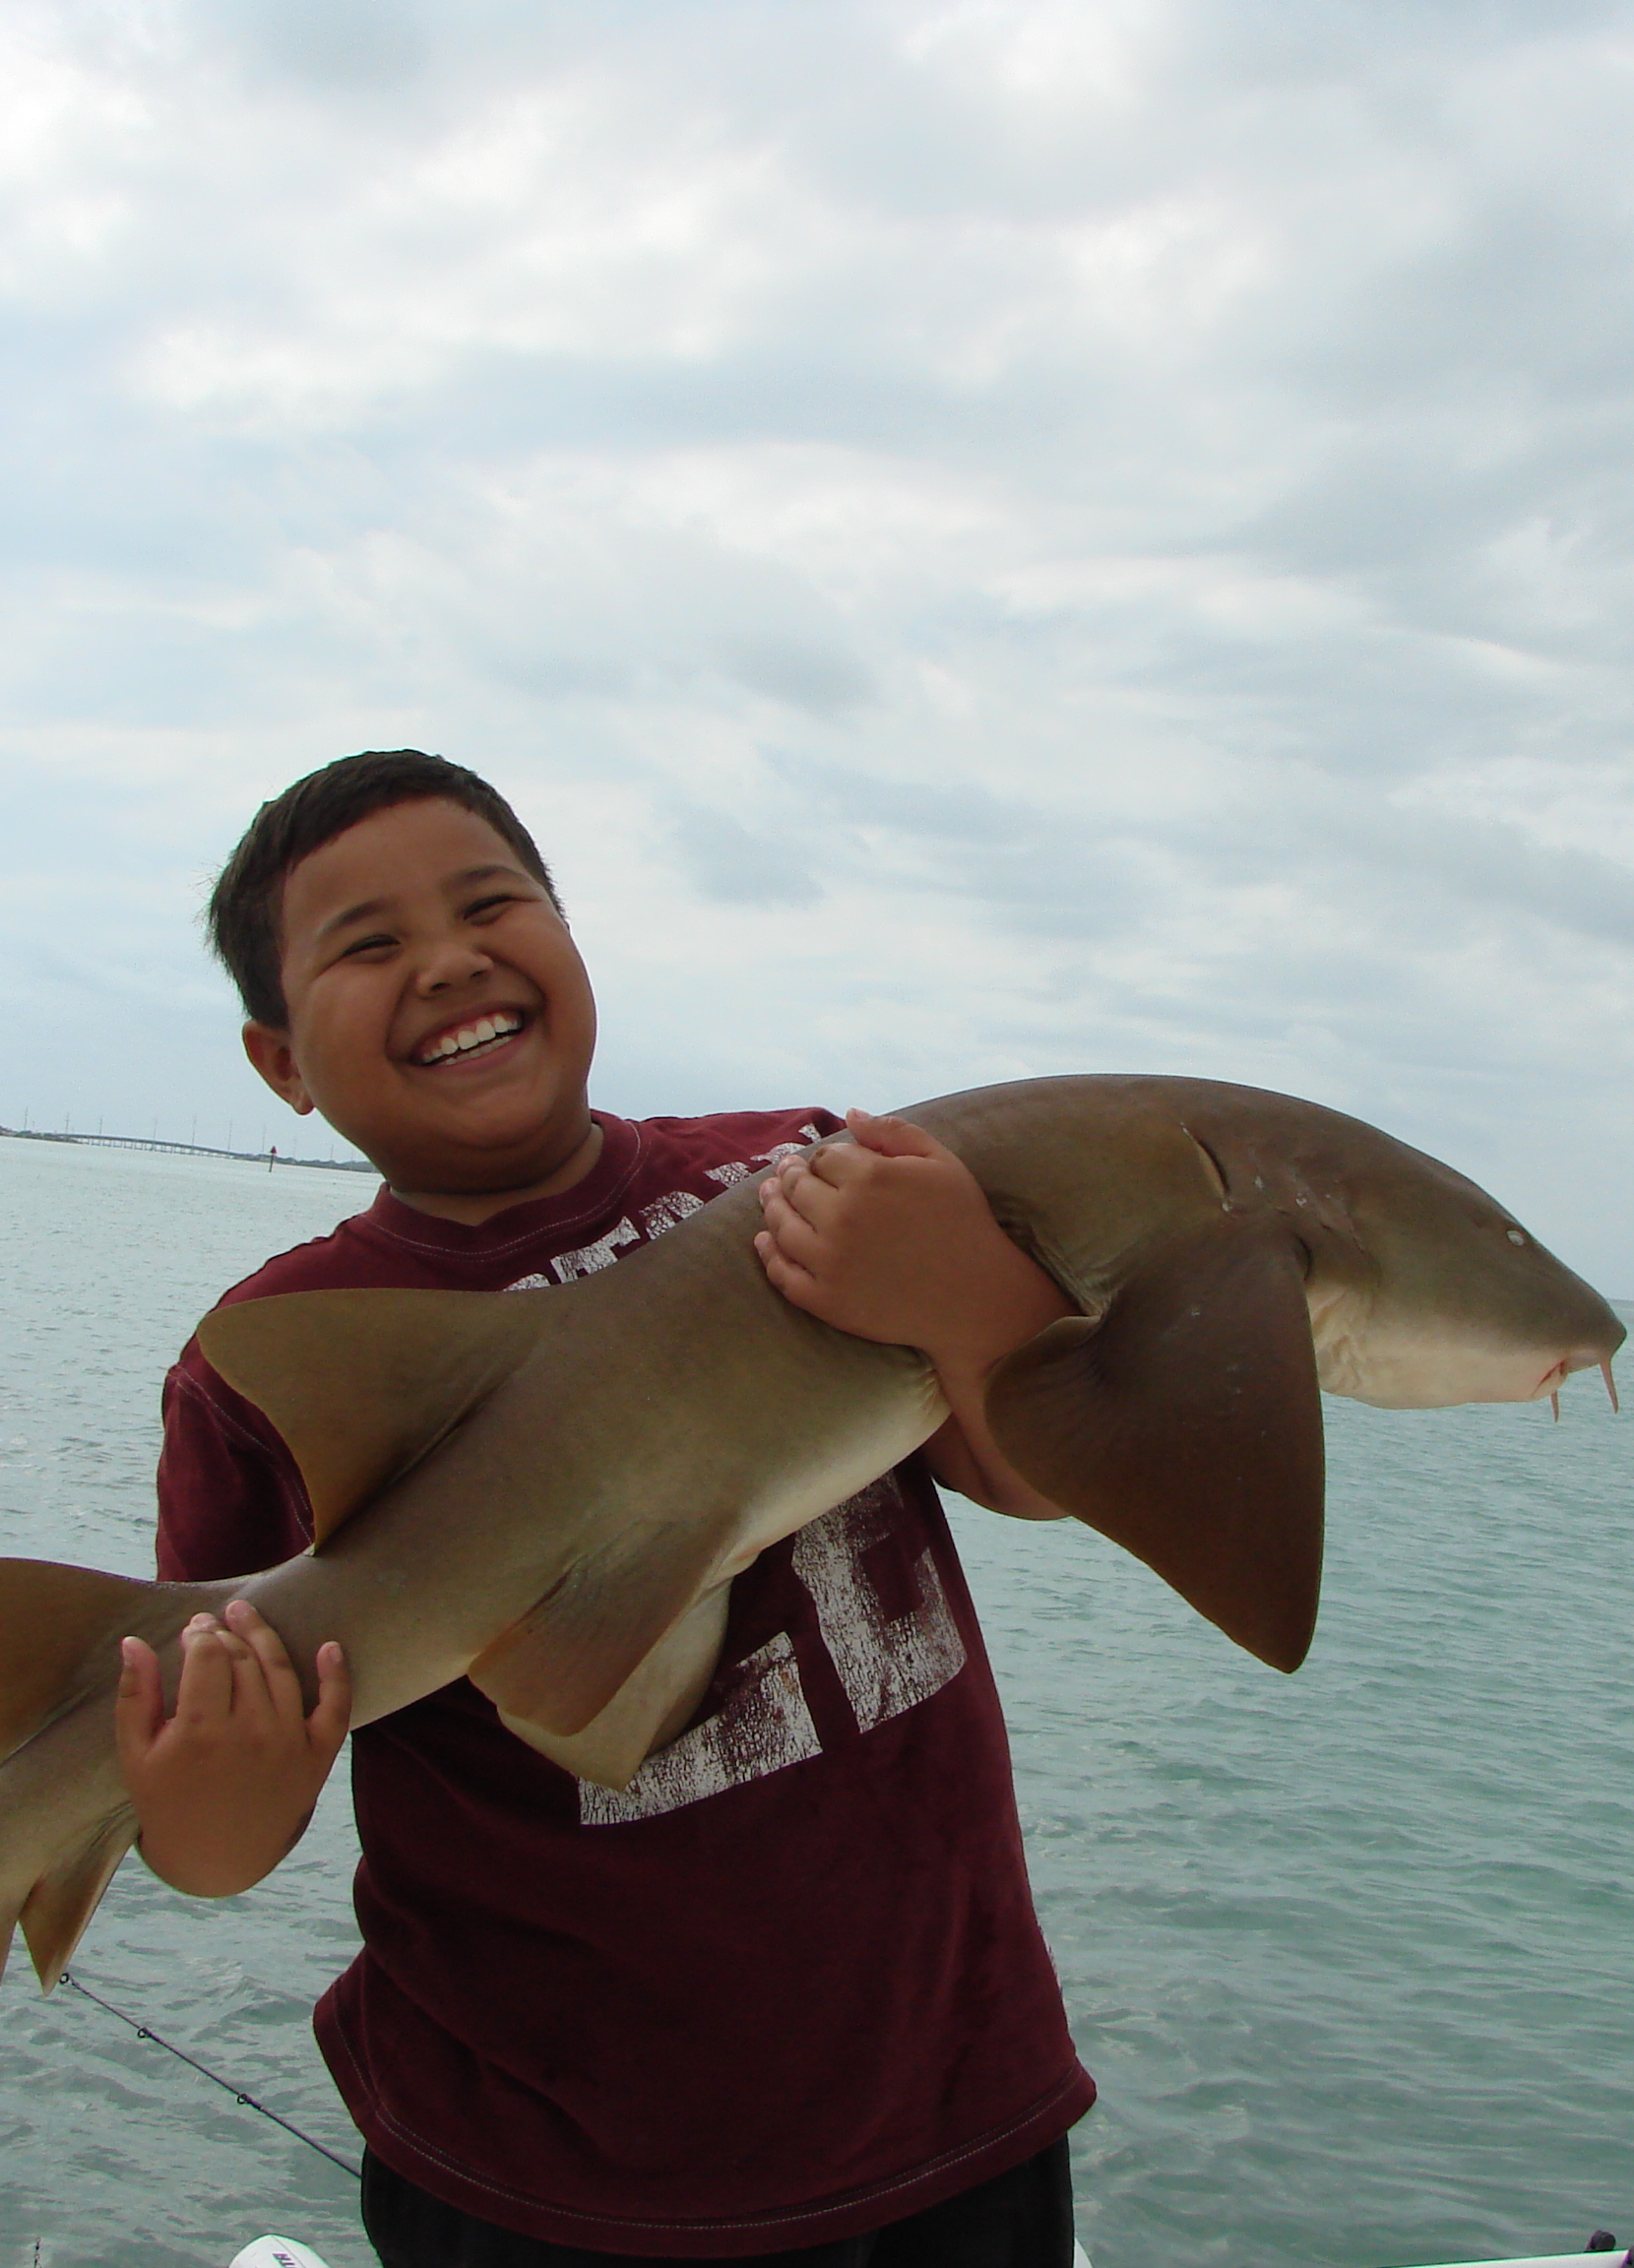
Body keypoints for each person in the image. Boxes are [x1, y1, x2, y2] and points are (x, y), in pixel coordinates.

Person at [117, 750, 1096, 2265]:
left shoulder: (805, 1176)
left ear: (572, 940)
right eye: (366, 946)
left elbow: (1033, 1476)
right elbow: (221, 1839)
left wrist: (980, 1296)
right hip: (541, 2180)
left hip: (951, 2105)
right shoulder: (276, 1358)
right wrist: (204, 1805)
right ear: (280, 1063)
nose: (447, 960)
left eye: (492, 902)